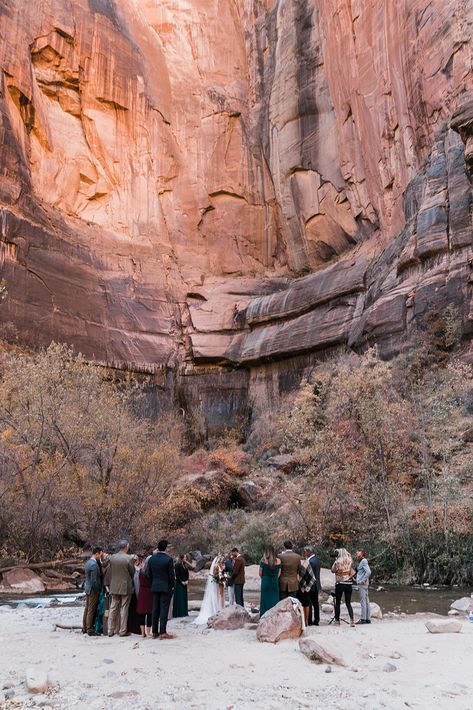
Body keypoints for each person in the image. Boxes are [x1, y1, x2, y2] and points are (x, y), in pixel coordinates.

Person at [147, 539, 175, 639]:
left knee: (155, 609)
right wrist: (172, 586)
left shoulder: (151, 559)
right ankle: (163, 632)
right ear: (166, 548)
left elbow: (149, 574)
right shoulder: (168, 559)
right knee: (164, 609)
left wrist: (152, 584)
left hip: (155, 586)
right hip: (165, 587)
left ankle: (154, 632)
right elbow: (171, 576)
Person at [108, 540, 135, 637]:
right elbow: (133, 572)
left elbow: (111, 570)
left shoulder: (112, 558)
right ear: (126, 547)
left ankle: (110, 630)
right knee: (124, 608)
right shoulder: (129, 558)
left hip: (114, 585)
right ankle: (122, 631)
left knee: (113, 608)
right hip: (125, 586)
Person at [194, 555, 224, 624]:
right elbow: (215, 575)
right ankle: (214, 610)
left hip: (217, 584)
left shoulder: (218, 565)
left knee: (216, 596)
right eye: (222, 559)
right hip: (216, 584)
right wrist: (220, 577)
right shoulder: (216, 566)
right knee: (214, 596)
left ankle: (217, 610)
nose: (222, 561)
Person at [331, 548, 355, 627]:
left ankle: (337, 621)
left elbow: (332, 570)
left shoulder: (337, 561)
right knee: (348, 603)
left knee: (338, 602)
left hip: (340, 583)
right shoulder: (350, 560)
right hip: (349, 583)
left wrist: (336, 560)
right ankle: (352, 621)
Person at [82, 546, 103, 636]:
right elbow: (94, 580)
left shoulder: (88, 562)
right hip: (92, 590)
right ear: (97, 553)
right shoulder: (94, 565)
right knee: (91, 609)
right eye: (100, 554)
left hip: (87, 588)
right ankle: (90, 629)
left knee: (87, 608)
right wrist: (97, 590)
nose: (100, 557)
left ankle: (85, 627)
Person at [259, 545, 281, 616]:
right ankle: (274, 617)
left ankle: (264, 617)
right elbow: (279, 573)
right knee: (274, 600)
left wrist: (265, 578)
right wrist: (274, 578)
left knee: (264, 601)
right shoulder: (278, 561)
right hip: (274, 582)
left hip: (265, 582)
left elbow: (260, 573)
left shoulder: (263, 560)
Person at [298, 549, 317, 626]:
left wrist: (306, 587)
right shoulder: (305, 562)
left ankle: (304, 621)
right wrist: (307, 587)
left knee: (302, 604)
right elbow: (313, 578)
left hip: (299, 586)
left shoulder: (303, 562)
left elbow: (313, 578)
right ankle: (305, 621)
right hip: (304, 586)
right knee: (305, 604)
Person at [137, 556, 153, 638]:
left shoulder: (140, 571)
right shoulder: (152, 572)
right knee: (150, 613)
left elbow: (138, 582)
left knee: (142, 613)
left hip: (142, 592)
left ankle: (142, 633)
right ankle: (148, 632)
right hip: (150, 592)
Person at [305, 546, 321, 626]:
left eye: (306, 552)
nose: (305, 553)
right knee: (316, 603)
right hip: (317, 584)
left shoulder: (310, 561)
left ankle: (310, 620)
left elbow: (308, 574)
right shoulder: (317, 560)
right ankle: (317, 620)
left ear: (309, 552)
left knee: (309, 602)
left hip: (310, 585)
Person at [355, 548, 372, 624]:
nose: (357, 553)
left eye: (358, 551)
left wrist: (362, 580)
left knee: (363, 601)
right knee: (366, 601)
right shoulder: (362, 561)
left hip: (362, 584)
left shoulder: (364, 561)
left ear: (362, 552)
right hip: (365, 584)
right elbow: (362, 572)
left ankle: (363, 619)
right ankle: (368, 618)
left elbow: (368, 572)